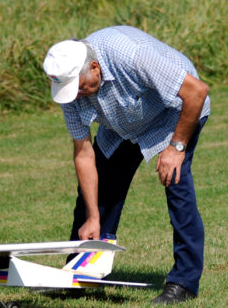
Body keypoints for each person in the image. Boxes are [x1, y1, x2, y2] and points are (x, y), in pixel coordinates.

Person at [42, 25, 211, 305]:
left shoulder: (131, 55)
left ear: (95, 67)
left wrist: (176, 148)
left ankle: (184, 283)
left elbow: (196, 92)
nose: (77, 95)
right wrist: (93, 216)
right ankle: (80, 274)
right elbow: (84, 154)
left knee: (177, 185)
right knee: (96, 195)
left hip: (176, 112)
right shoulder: (69, 88)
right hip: (123, 121)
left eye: (81, 87)